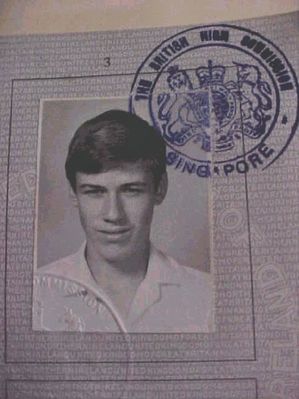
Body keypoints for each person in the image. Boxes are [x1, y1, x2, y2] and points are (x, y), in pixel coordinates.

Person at [33, 110, 214, 333]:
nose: (114, 214)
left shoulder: (208, 296)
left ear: (160, 189)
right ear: (73, 193)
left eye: (131, 190)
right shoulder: (36, 294)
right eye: (94, 192)